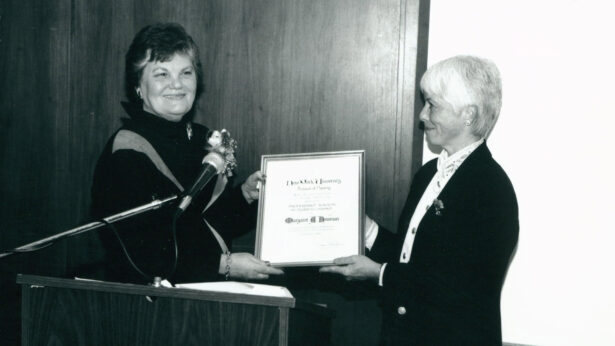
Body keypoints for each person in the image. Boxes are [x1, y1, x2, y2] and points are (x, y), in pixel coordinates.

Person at [320, 55, 519, 345]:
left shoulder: (491, 188)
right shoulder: (428, 174)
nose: (422, 115)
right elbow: (410, 257)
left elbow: (459, 286)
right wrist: (363, 227)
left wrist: (379, 274)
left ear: (469, 115)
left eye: (432, 105)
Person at [90, 23, 282, 285]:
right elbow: (143, 247)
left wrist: (245, 197)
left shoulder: (202, 139)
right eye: (161, 75)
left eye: (186, 72)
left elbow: (206, 224)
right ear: (138, 85)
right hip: (148, 305)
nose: (176, 85)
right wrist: (223, 265)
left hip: (204, 297)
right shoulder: (127, 150)